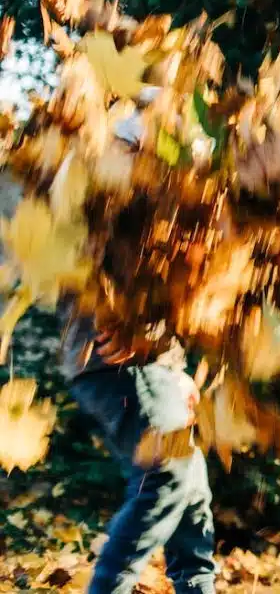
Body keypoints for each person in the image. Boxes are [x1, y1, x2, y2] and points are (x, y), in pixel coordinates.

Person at [57, 98, 217, 594]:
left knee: (192, 501)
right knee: (167, 476)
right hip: (116, 363)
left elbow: (166, 301)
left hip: (155, 367)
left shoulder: (160, 213)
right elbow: (94, 280)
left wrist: (177, 366)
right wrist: (140, 337)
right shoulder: (99, 197)